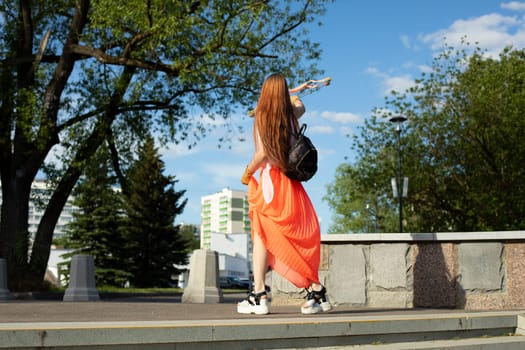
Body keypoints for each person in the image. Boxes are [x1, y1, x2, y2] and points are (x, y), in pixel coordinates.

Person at [237, 73, 331, 315]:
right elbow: (301, 104)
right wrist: (290, 94)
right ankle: (314, 290)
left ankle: (259, 296)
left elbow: (263, 155)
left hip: (270, 183)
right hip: (291, 184)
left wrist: (247, 173)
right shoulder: (291, 116)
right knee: (283, 238)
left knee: (264, 236)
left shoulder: (262, 117)